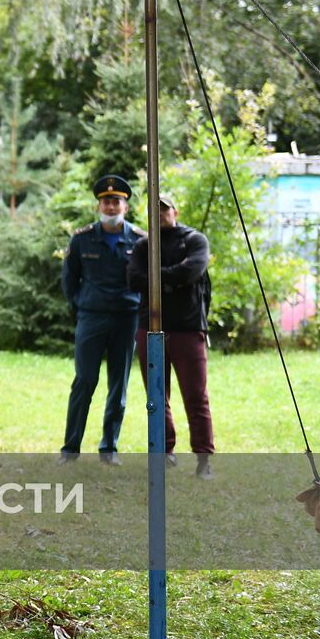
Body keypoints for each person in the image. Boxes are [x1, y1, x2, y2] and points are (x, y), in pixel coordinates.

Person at [126, 193, 215, 479]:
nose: (160, 214)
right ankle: (163, 451)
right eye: (155, 210)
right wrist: (171, 280)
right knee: (156, 396)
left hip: (188, 328)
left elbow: (191, 272)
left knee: (195, 395)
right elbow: (134, 280)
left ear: (174, 211)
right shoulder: (143, 246)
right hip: (149, 326)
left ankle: (204, 459)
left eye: (164, 209)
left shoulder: (195, 240)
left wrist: (157, 278)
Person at [59, 174, 145, 465]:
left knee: (118, 385)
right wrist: (82, 307)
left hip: (126, 319)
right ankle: (70, 449)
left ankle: (109, 448)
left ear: (126, 207)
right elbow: (69, 280)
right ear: (99, 206)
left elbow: (147, 281)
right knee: (84, 380)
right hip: (92, 318)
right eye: (106, 201)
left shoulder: (141, 240)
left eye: (117, 201)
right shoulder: (82, 239)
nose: (111, 206)